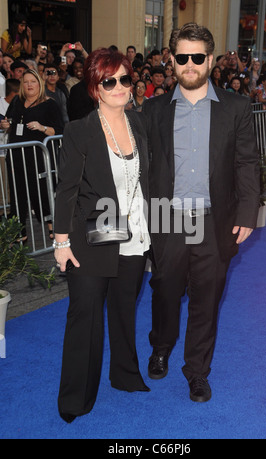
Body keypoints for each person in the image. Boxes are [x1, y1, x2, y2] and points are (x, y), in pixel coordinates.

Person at [142, 23, 260, 403]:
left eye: (197, 57)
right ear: (172, 61)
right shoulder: (155, 108)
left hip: (214, 219)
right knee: (164, 290)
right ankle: (161, 345)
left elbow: (246, 162)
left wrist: (247, 212)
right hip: (166, 216)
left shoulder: (237, 107)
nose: (189, 64)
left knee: (207, 299)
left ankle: (197, 371)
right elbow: (145, 166)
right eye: (182, 57)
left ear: (210, 60)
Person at [54, 47, 151, 423]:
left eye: (124, 79)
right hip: (92, 233)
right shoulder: (80, 130)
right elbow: (66, 190)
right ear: (95, 85)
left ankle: (125, 376)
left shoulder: (138, 123)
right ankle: (75, 398)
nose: (118, 87)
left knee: (124, 309)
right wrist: (61, 242)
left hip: (133, 233)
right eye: (109, 80)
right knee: (85, 315)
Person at [0, 69, 64, 242]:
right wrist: (5, 125)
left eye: (33, 81)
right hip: (16, 156)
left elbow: (59, 130)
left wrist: (42, 127)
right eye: (26, 82)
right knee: (17, 193)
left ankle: (52, 226)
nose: (29, 85)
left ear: (39, 83)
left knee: (42, 192)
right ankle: (20, 232)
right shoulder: (16, 101)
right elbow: (10, 123)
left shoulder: (50, 104)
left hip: (39, 158)